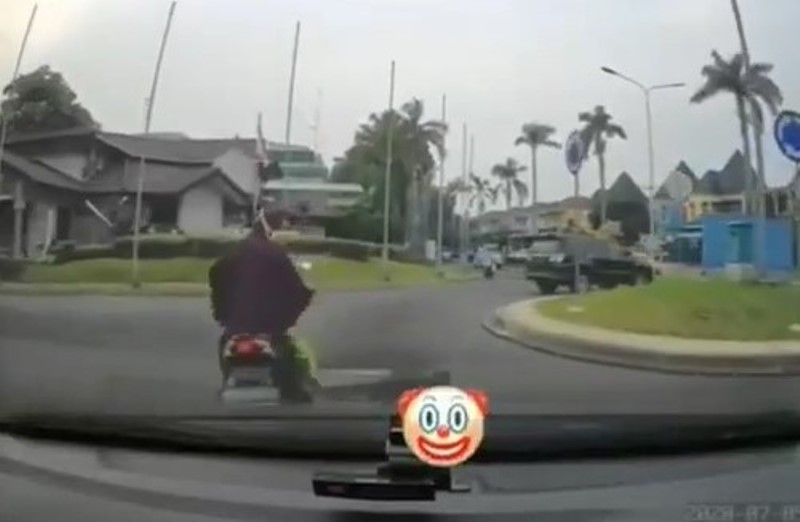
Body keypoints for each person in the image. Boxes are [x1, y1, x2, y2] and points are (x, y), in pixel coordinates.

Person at [209, 209, 315, 399]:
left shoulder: (235, 252)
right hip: (270, 327)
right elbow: (296, 290)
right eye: (284, 225)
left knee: (224, 344)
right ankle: (291, 392)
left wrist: (220, 311)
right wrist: (304, 300)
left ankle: (226, 381)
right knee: (288, 357)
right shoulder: (277, 255)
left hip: (235, 327)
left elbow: (216, 276)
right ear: (271, 227)